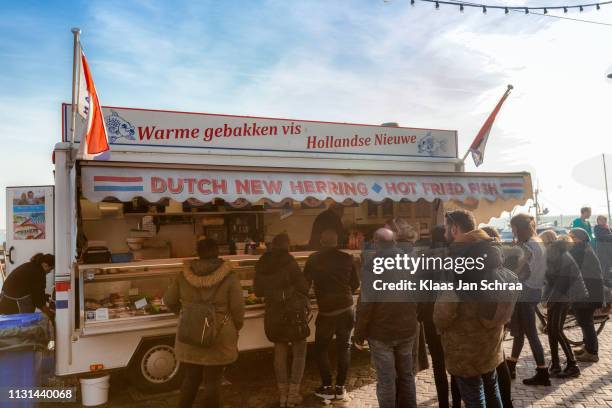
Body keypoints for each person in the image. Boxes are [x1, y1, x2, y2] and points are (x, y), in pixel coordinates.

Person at [434, 210, 504, 408]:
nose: (445, 232)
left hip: (465, 341)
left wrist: (439, 324)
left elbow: (445, 308)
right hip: (490, 335)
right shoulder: (492, 248)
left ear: (454, 229)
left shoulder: (456, 257)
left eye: (447, 228)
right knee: (492, 387)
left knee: (474, 396)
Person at [163, 239, 245, 408]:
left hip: (189, 334)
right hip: (218, 336)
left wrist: (185, 314)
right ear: (217, 252)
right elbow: (238, 309)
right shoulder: (229, 277)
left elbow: (169, 300)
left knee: (191, 378)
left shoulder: (183, 275)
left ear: (198, 253)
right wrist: (235, 327)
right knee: (212, 381)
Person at [354, 228, 419, 408]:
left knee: (386, 380)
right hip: (407, 329)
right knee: (407, 376)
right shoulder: (409, 262)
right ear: (394, 242)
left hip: (381, 333)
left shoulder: (372, 266)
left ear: (375, 243)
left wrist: (358, 335)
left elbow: (366, 305)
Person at [254, 233, 309, 407]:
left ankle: (283, 396)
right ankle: (293, 395)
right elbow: (304, 287)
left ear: (272, 245)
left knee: (279, 352)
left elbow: (258, 291)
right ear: (287, 245)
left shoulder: (262, 263)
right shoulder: (290, 262)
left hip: (274, 313)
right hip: (293, 314)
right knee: (299, 351)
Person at [304, 229, 359, 401]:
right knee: (344, 348)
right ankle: (341, 388)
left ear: (321, 241)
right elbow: (355, 284)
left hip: (327, 312)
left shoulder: (314, 258)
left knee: (321, 348)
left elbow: (304, 284)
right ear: (336, 242)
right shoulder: (347, 258)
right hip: (346, 309)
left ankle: (327, 386)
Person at [418, 225, 462, 408]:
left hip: (430, 314)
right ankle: (457, 402)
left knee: (438, 361)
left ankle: (443, 403)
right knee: (454, 361)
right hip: (453, 314)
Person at [506, 214, 550, 386]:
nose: (512, 231)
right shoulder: (538, 242)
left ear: (518, 228)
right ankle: (511, 363)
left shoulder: (528, 246)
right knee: (521, 331)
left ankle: (542, 371)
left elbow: (519, 270)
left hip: (525, 292)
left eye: (513, 228)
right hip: (535, 290)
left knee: (530, 333)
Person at [542, 232, 583, 378]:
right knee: (553, 330)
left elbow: (560, 282)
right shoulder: (559, 254)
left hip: (563, 296)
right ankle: (555, 365)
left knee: (556, 330)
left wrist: (550, 300)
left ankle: (572, 364)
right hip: (563, 295)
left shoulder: (558, 255)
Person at [481, 226, 514, 408]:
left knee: (498, 362)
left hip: (492, 317)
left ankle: (504, 401)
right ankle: (506, 400)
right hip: (501, 316)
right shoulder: (501, 255)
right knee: (499, 359)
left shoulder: (491, 259)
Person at [569, 228, 605, 363]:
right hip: (590, 290)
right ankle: (587, 347)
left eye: (572, 237)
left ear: (579, 238)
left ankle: (592, 352)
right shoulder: (584, 247)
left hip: (588, 292)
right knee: (584, 321)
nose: (570, 240)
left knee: (586, 321)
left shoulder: (580, 249)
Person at [0, 253, 55, 317]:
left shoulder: (32, 266)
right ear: (45, 265)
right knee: (22, 324)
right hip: (14, 304)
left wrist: (44, 297)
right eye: (50, 269)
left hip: (5, 300)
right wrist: (51, 315)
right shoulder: (38, 273)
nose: (49, 271)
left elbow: (34, 291)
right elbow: (38, 301)